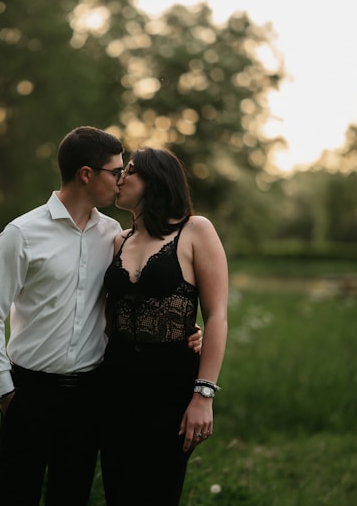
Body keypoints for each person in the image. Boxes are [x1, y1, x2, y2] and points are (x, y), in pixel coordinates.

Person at [0, 127, 201, 506]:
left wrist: (187, 329)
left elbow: (134, 299)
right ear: (86, 174)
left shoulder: (114, 235)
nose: (122, 179)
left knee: (71, 497)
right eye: (115, 171)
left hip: (91, 397)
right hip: (28, 392)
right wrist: (6, 393)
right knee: (16, 496)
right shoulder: (21, 234)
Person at [99, 147, 229, 505]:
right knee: (118, 488)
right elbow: (109, 317)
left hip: (171, 385)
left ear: (156, 179)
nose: (119, 178)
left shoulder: (195, 230)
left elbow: (216, 315)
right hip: (117, 380)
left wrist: (204, 394)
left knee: (158, 490)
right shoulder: (117, 241)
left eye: (129, 171)